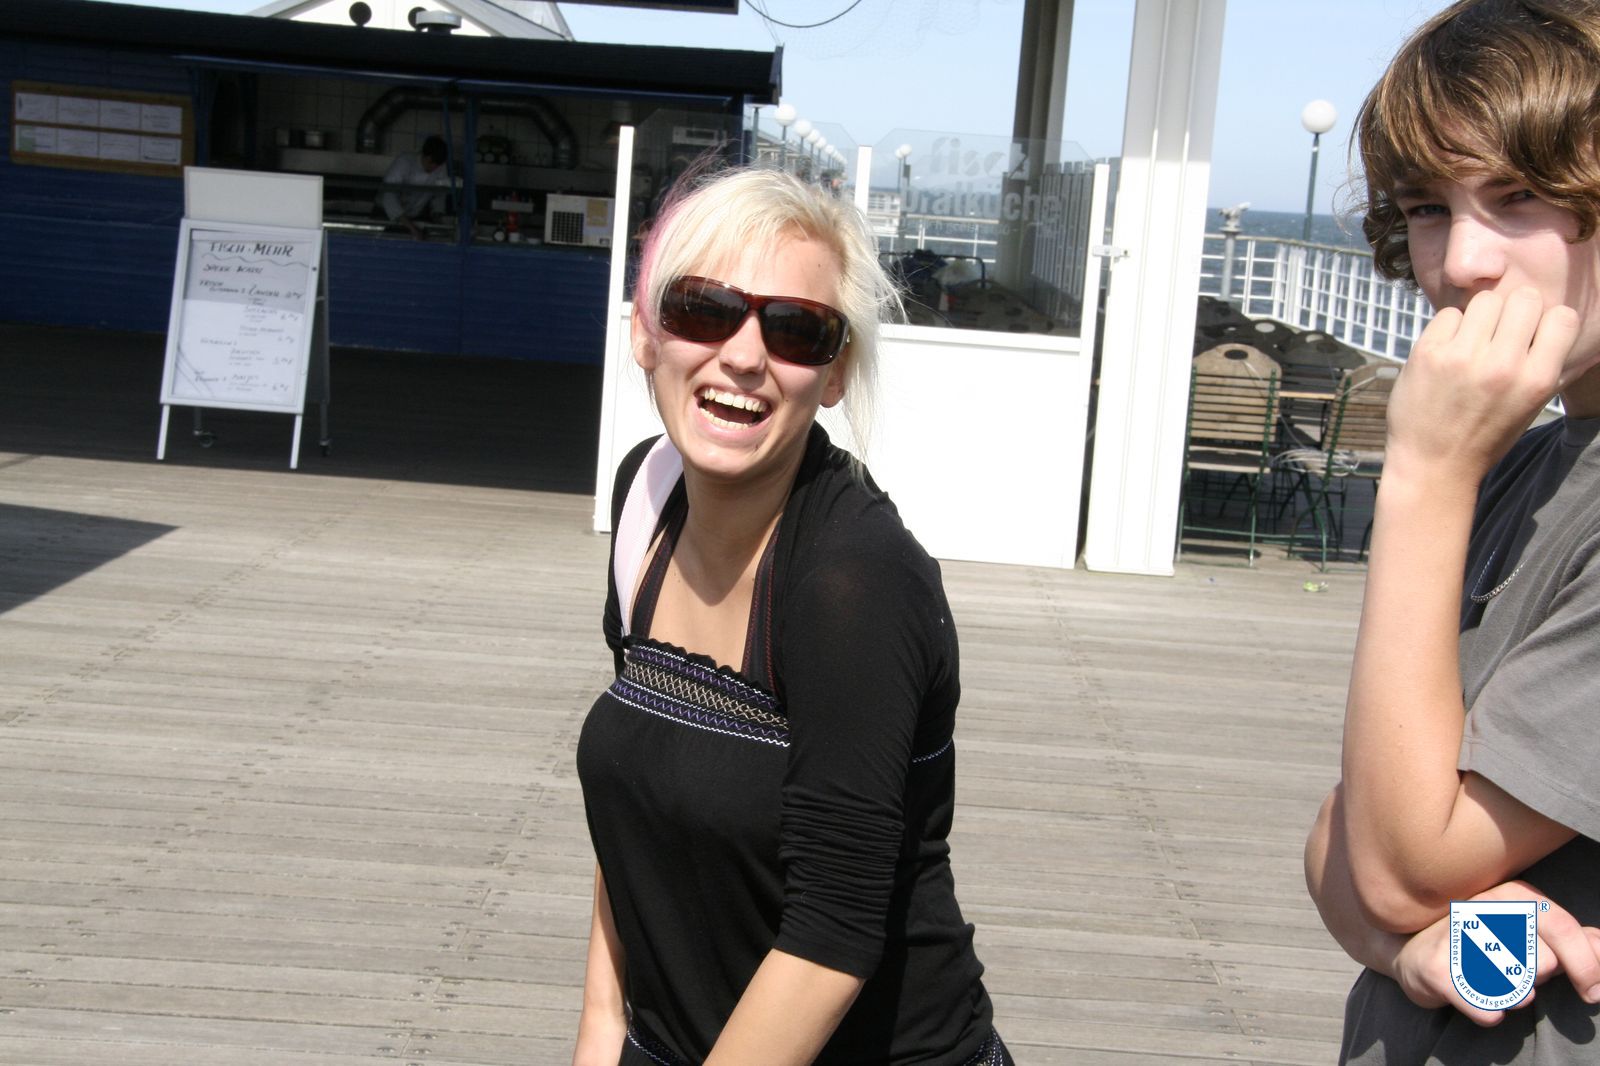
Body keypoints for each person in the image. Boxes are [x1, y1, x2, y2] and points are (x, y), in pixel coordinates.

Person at [572, 166, 1010, 1066]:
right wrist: (602, 1032)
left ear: (835, 372)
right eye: (702, 309)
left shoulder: (856, 583)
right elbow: (634, 822)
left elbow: (831, 935)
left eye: (795, 329)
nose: (743, 355)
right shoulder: (647, 496)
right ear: (645, 333)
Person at [1301, 1, 1600, 1061]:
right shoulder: (1527, 463)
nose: (1463, 261)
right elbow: (1339, 843)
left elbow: (1396, 866)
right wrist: (1403, 947)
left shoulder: (1462, 469)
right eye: (1427, 207)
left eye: (1520, 197)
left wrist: (1425, 473)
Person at [376, 134, 449, 239]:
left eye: (436, 166)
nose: (433, 168)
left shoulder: (441, 167)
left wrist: (437, 216)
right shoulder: (405, 162)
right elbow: (389, 196)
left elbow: (439, 194)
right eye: (430, 163)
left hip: (413, 216)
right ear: (424, 155)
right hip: (384, 214)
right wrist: (411, 228)